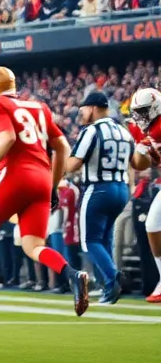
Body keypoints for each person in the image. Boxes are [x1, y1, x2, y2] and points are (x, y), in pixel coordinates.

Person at [0, 66, 89, 314]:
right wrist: (54, 187)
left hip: (16, 174)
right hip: (42, 179)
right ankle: (72, 274)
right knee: (33, 245)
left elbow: (7, 138)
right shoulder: (40, 108)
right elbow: (62, 148)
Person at [65, 91, 134, 303]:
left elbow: (73, 164)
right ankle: (108, 289)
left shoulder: (92, 131)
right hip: (121, 189)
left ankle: (113, 278)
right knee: (105, 238)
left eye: (84, 109)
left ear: (93, 108)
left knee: (90, 240)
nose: (82, 113)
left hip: (98, 188)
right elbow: (137, 163)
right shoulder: (124, 131)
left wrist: (58, 164)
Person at [126, 87, 161, 302]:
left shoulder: (156, 130)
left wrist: (134, 145)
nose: (140, 117)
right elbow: (141, 164)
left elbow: (140, 162)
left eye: (144, 111)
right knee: (153, 224)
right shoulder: (149, 130)